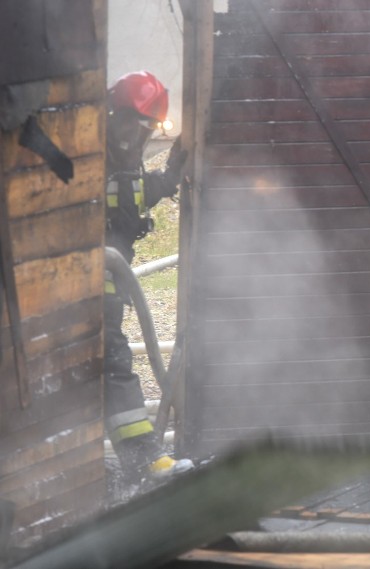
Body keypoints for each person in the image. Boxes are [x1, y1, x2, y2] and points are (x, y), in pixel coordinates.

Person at [104, 71, 193, 484]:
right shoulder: (88, 158)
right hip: (85, 289)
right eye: (130, 128)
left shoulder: (125, 165)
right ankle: (143, 461)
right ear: (113, 115)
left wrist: (173, 169)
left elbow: (139, 193)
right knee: (114, 364)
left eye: (142, 133)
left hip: (109, 288)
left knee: (102, 368)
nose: (134, 139)